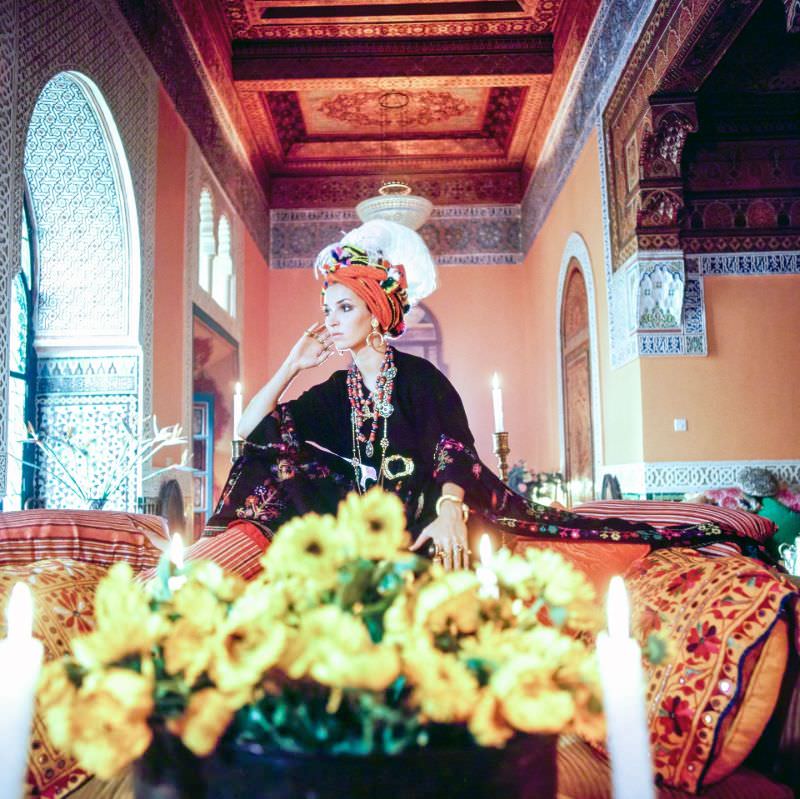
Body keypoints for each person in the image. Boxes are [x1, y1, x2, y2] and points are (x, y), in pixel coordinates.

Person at [207, 225, 770, 568]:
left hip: (438, 515)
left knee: (499, 535)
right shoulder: (336, 390)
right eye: (327, 310)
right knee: (270, 457)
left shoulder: (421, 378)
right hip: (370, 530)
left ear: (376, 313)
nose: (331, 320)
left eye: (345, 307)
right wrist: (290, 365)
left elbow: (454, 451)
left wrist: (450, 510)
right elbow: (252, 432)